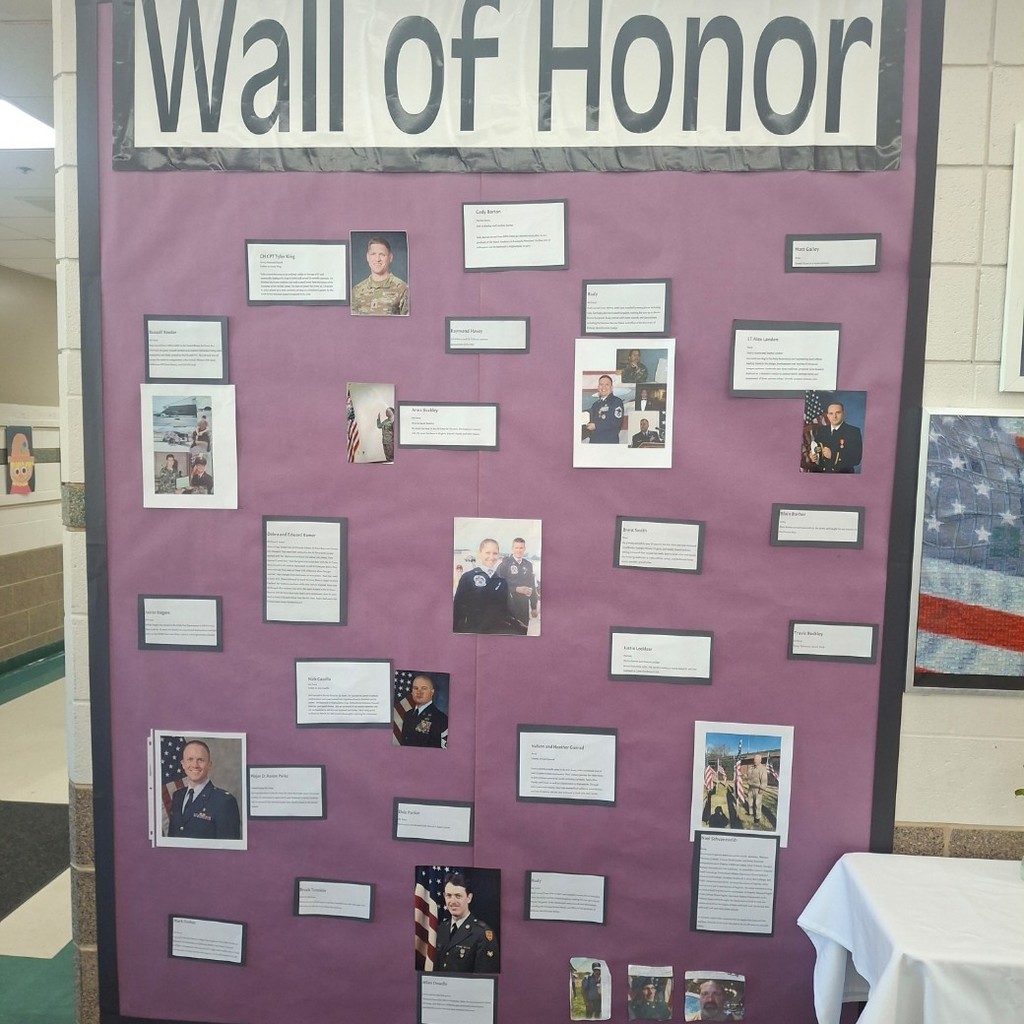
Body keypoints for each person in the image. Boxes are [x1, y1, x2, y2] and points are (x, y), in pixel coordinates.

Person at [166, 740, 241, 840]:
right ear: (183, 764)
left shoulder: (224, 802)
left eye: (200, 760)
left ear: (209, 765)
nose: (195, 765)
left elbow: (228, 850)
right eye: (190, 759)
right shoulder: (177, 796)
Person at [453, 539, 524, 635]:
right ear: (479, 554)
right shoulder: (468, 577)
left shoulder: (502, 580)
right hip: (474, 632)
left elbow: (507, 611)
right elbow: (458, 610)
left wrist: (520, 627)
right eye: (487, 553)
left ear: (499, 555)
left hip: (497, 633)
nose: (491, 557)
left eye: (495, 553)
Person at [435, 873, 499, 972]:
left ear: (469, 898)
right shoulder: (442, 928)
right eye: (449, 895)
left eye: (458, 896)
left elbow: (484, 980)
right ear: (444, 896)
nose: (452, 901)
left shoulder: (482, 934)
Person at [351, 236, 409, 315]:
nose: (377, 259)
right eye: (373, 254)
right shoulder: (356, 291)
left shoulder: (403, 289)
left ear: (390, 257)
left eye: (382, 254)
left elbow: (409, 324)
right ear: (367, 257)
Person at [809, 401, 862, 473]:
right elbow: (817, 448)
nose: (834, 416)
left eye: (838, 412)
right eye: (831, 413)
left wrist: (833, 455)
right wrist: (813, 456)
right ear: (827, 416)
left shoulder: (853, 432)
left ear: (843, 414)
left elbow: (856, 459)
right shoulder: (822, 430)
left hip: (841, 475)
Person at [497, 537, 538, 629]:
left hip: (523, 606)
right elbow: (498, 585)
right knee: (509, 632)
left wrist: (534, 606)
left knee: (523, 631)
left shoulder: (528, 565)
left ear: (524, 549)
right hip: (508, 605)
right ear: (512, 548)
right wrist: (516, 589)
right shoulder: (505, 564)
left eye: (521, 548)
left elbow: (532, 586)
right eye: (516, 548)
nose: (519, 550)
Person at [400, 674, 447, 748]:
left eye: (424, 688)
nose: (419, 692)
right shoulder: (407, 715)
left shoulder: (440, 718)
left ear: (432, 692)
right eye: (416, 688)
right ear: (412, 692)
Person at [586, 375, 624, 444]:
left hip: (608, 443)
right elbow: (590, 421)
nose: (603, 387)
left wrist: (596, 426)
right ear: (598, 387)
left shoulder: (616, 402)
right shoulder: (595, 404)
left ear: (611, 387)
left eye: (607, 384)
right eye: (601, 384)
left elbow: (616, 422)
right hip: (594, 443)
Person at [746, 753, 769, 823]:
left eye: (756, 759)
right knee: (750, 802)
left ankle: (757, 817)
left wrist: (762, 789)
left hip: (758, 789)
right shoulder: (751, 768)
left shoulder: (762, 768)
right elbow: (748, 775)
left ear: (760, 760)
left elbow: (764, 780)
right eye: (754, 759)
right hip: (750, 787)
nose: (755, 761)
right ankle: (751, 813)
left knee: (757, 803)